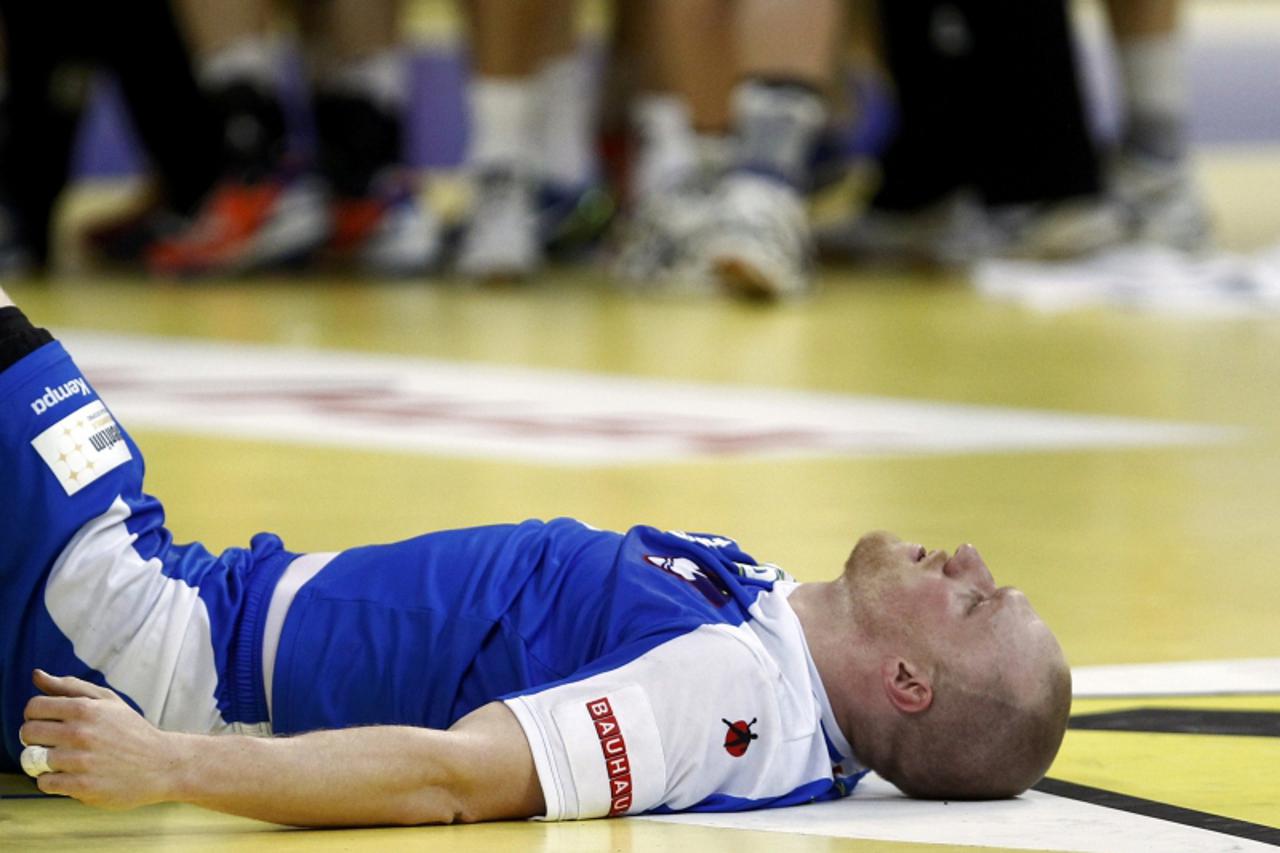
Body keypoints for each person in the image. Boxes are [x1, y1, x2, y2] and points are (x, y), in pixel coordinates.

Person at [0, 287, 1071, 825]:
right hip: (170, 624)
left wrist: (169, 764)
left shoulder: (725, 696)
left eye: (977, 603)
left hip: (154, 635)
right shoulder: (777, 656)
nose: (970, 559)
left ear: (907, 681)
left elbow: (452, 779)